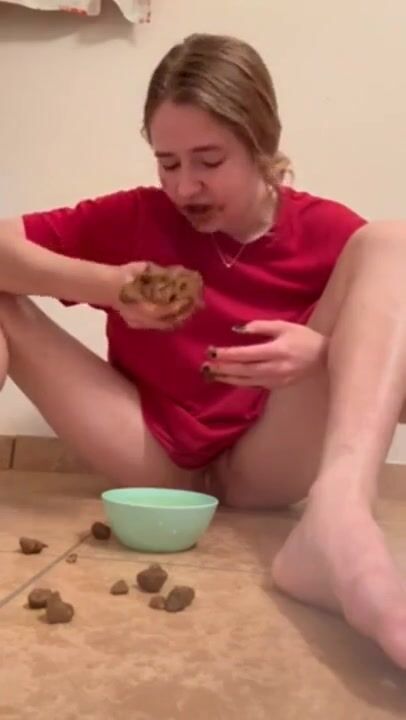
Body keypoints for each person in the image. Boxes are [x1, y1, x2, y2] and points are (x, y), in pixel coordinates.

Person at [1, 32, 406, 668]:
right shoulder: (138, 216)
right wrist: (112, 287)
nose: (185, 187)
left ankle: (341, 520)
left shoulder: (328, 233)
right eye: (167, 163)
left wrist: (323, 355)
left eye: (209, 161)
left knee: (393, 241)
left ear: (261, 144)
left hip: (266, 463)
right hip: (150, 452)